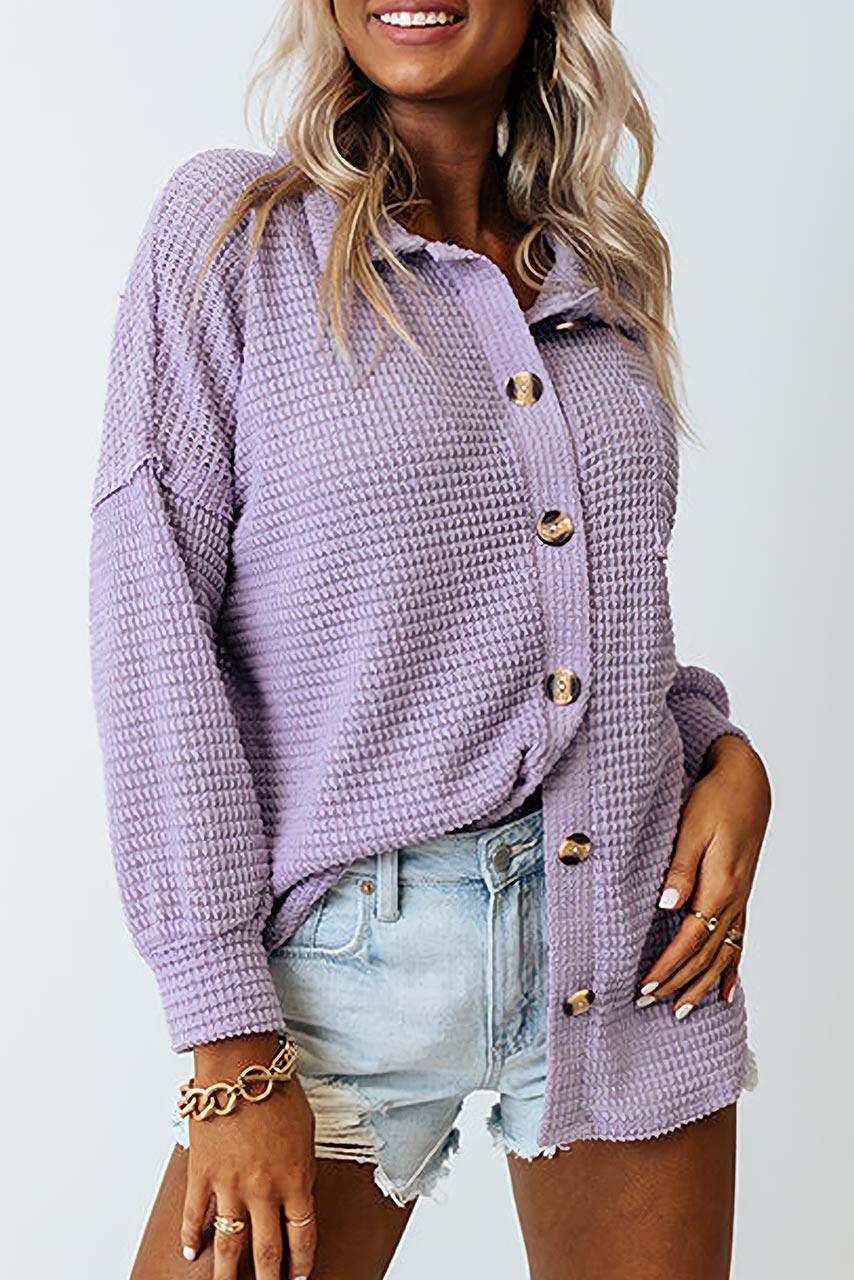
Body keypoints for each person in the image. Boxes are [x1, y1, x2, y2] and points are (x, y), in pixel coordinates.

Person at [88, 2, 772, 1277]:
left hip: (625, 940)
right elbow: (152, 622)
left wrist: (721, 754)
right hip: (342, 967)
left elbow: (607, 615)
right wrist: (226, 1035)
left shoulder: (598, 271)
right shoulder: (237, 237)